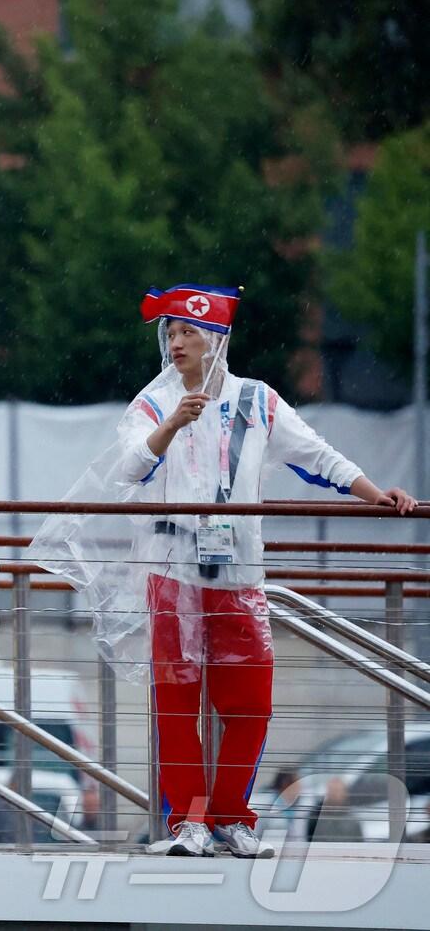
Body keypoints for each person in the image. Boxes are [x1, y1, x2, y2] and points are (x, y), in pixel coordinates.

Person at [30, 284, 416, 859]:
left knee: (250, 705)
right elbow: (128, 469)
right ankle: (187, 823)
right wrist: (173, 426)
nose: (177, 343)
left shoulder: (257, 401)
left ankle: (232, 816)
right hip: (172, 573)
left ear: (216, 340)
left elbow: (317, 457)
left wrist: (373, 494)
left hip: (238, 575)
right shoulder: (153, 404)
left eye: (189, 332)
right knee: (178, 705)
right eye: (172, 333)